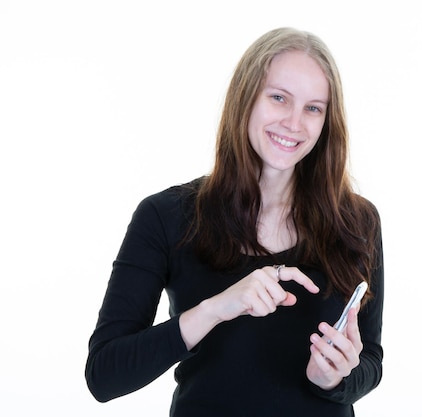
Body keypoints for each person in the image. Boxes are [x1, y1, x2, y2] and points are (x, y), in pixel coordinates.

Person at [85, 27, 384, 417]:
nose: (294, 123)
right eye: (279, 98)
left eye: (313, 108)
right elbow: (104, 376)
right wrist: (216, 309)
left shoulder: (357, 220)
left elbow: (372, 360)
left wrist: (336, 379)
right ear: (245, 99)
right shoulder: (166, 216)